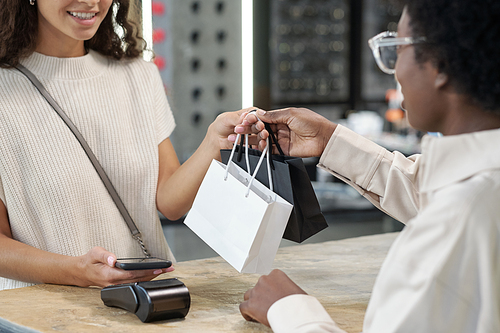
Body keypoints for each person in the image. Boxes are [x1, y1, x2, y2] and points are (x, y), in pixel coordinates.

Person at [237, 0, 500, 332]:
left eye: (397, 50)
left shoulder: (456, 222)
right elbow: (425, 192)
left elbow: (447, 205)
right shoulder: (479, 188)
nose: (393, 70)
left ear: (440, 64)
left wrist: (290, 309)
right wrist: (328, 139)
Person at [0, 0, 248, 290]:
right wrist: (76, 272)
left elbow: (169, 203)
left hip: (143, 306)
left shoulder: (138, 76)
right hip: (44, 318)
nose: (91, 2)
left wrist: (214, 142)